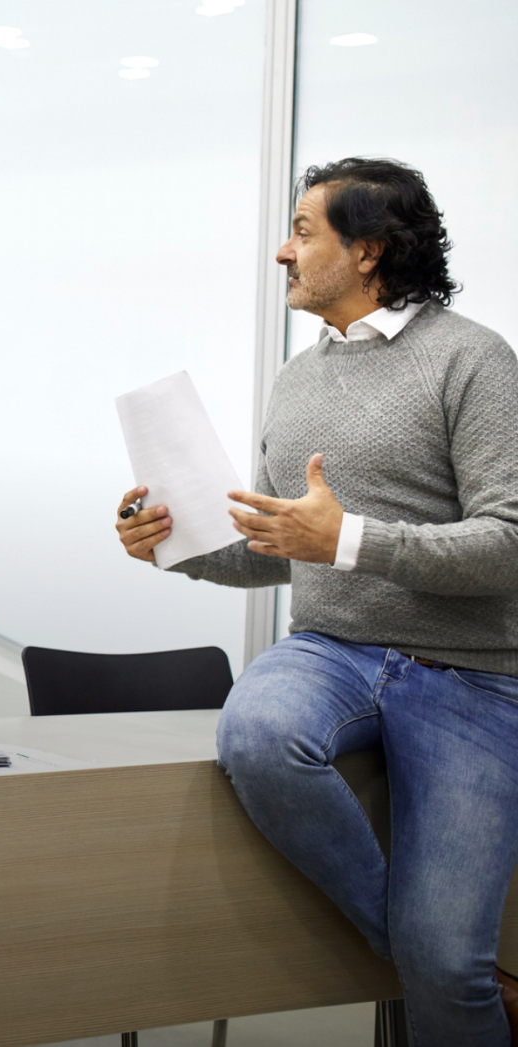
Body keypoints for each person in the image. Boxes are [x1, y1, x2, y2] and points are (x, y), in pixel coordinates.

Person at [113, 158, 518, 1043]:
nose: (281, 252)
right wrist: (173, 547)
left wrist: (348, 538)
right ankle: (420, 950)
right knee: (256, 734)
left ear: (368, 250)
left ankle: (441, 966)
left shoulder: (475, 360)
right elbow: (277, 548)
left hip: (473, 675)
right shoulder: (301, 375)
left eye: (304, 232)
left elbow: (510, 546)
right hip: (330, 648)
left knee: (447, 968)